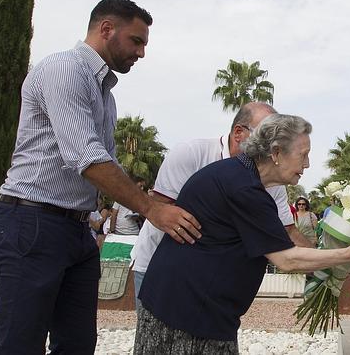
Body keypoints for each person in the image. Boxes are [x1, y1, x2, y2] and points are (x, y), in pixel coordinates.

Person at [0, 0, 202, 354]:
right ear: (106, 29)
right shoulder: (64, 70)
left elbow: (106, 163)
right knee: (19, 344)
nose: (142, 53)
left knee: (77, 344)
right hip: (32, 221)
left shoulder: (105, 94)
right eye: (137, 41)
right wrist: (152, 209)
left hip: (75, 228)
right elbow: (87, 158)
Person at [134, 114, 350, 353]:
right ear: (276, 152)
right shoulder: (243, 188)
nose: (307, 164)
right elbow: (286, 260)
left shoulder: (238, 176)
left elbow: (285, 238)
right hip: (187, 316)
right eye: (303, 155)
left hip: (192, 309)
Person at [130, 102, 312, 310]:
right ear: (238, 133)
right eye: (265, 134)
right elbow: (160, 211)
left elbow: (287, 232)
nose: (272, 144)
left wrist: (328, 268)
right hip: (158, 268)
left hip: (211, 282)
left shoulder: (273, 181)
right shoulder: (191, 154)